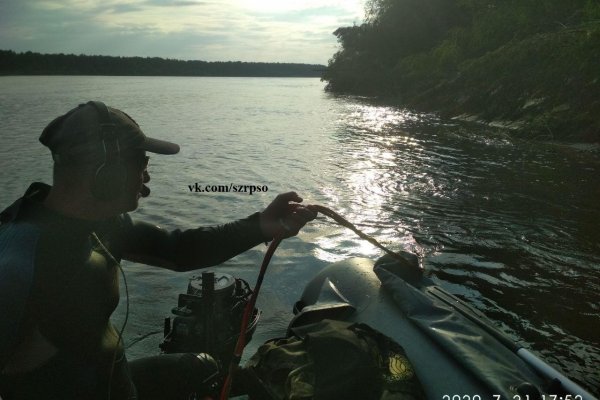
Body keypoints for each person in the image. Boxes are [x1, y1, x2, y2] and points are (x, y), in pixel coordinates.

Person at [0, 101, 317, 400]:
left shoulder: (101, 223)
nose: (147, 177)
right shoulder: (17, 263)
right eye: (142, 163)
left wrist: (261, 224)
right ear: (106, 173)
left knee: (204, 367)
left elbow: (179, 249)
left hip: (113, 381)